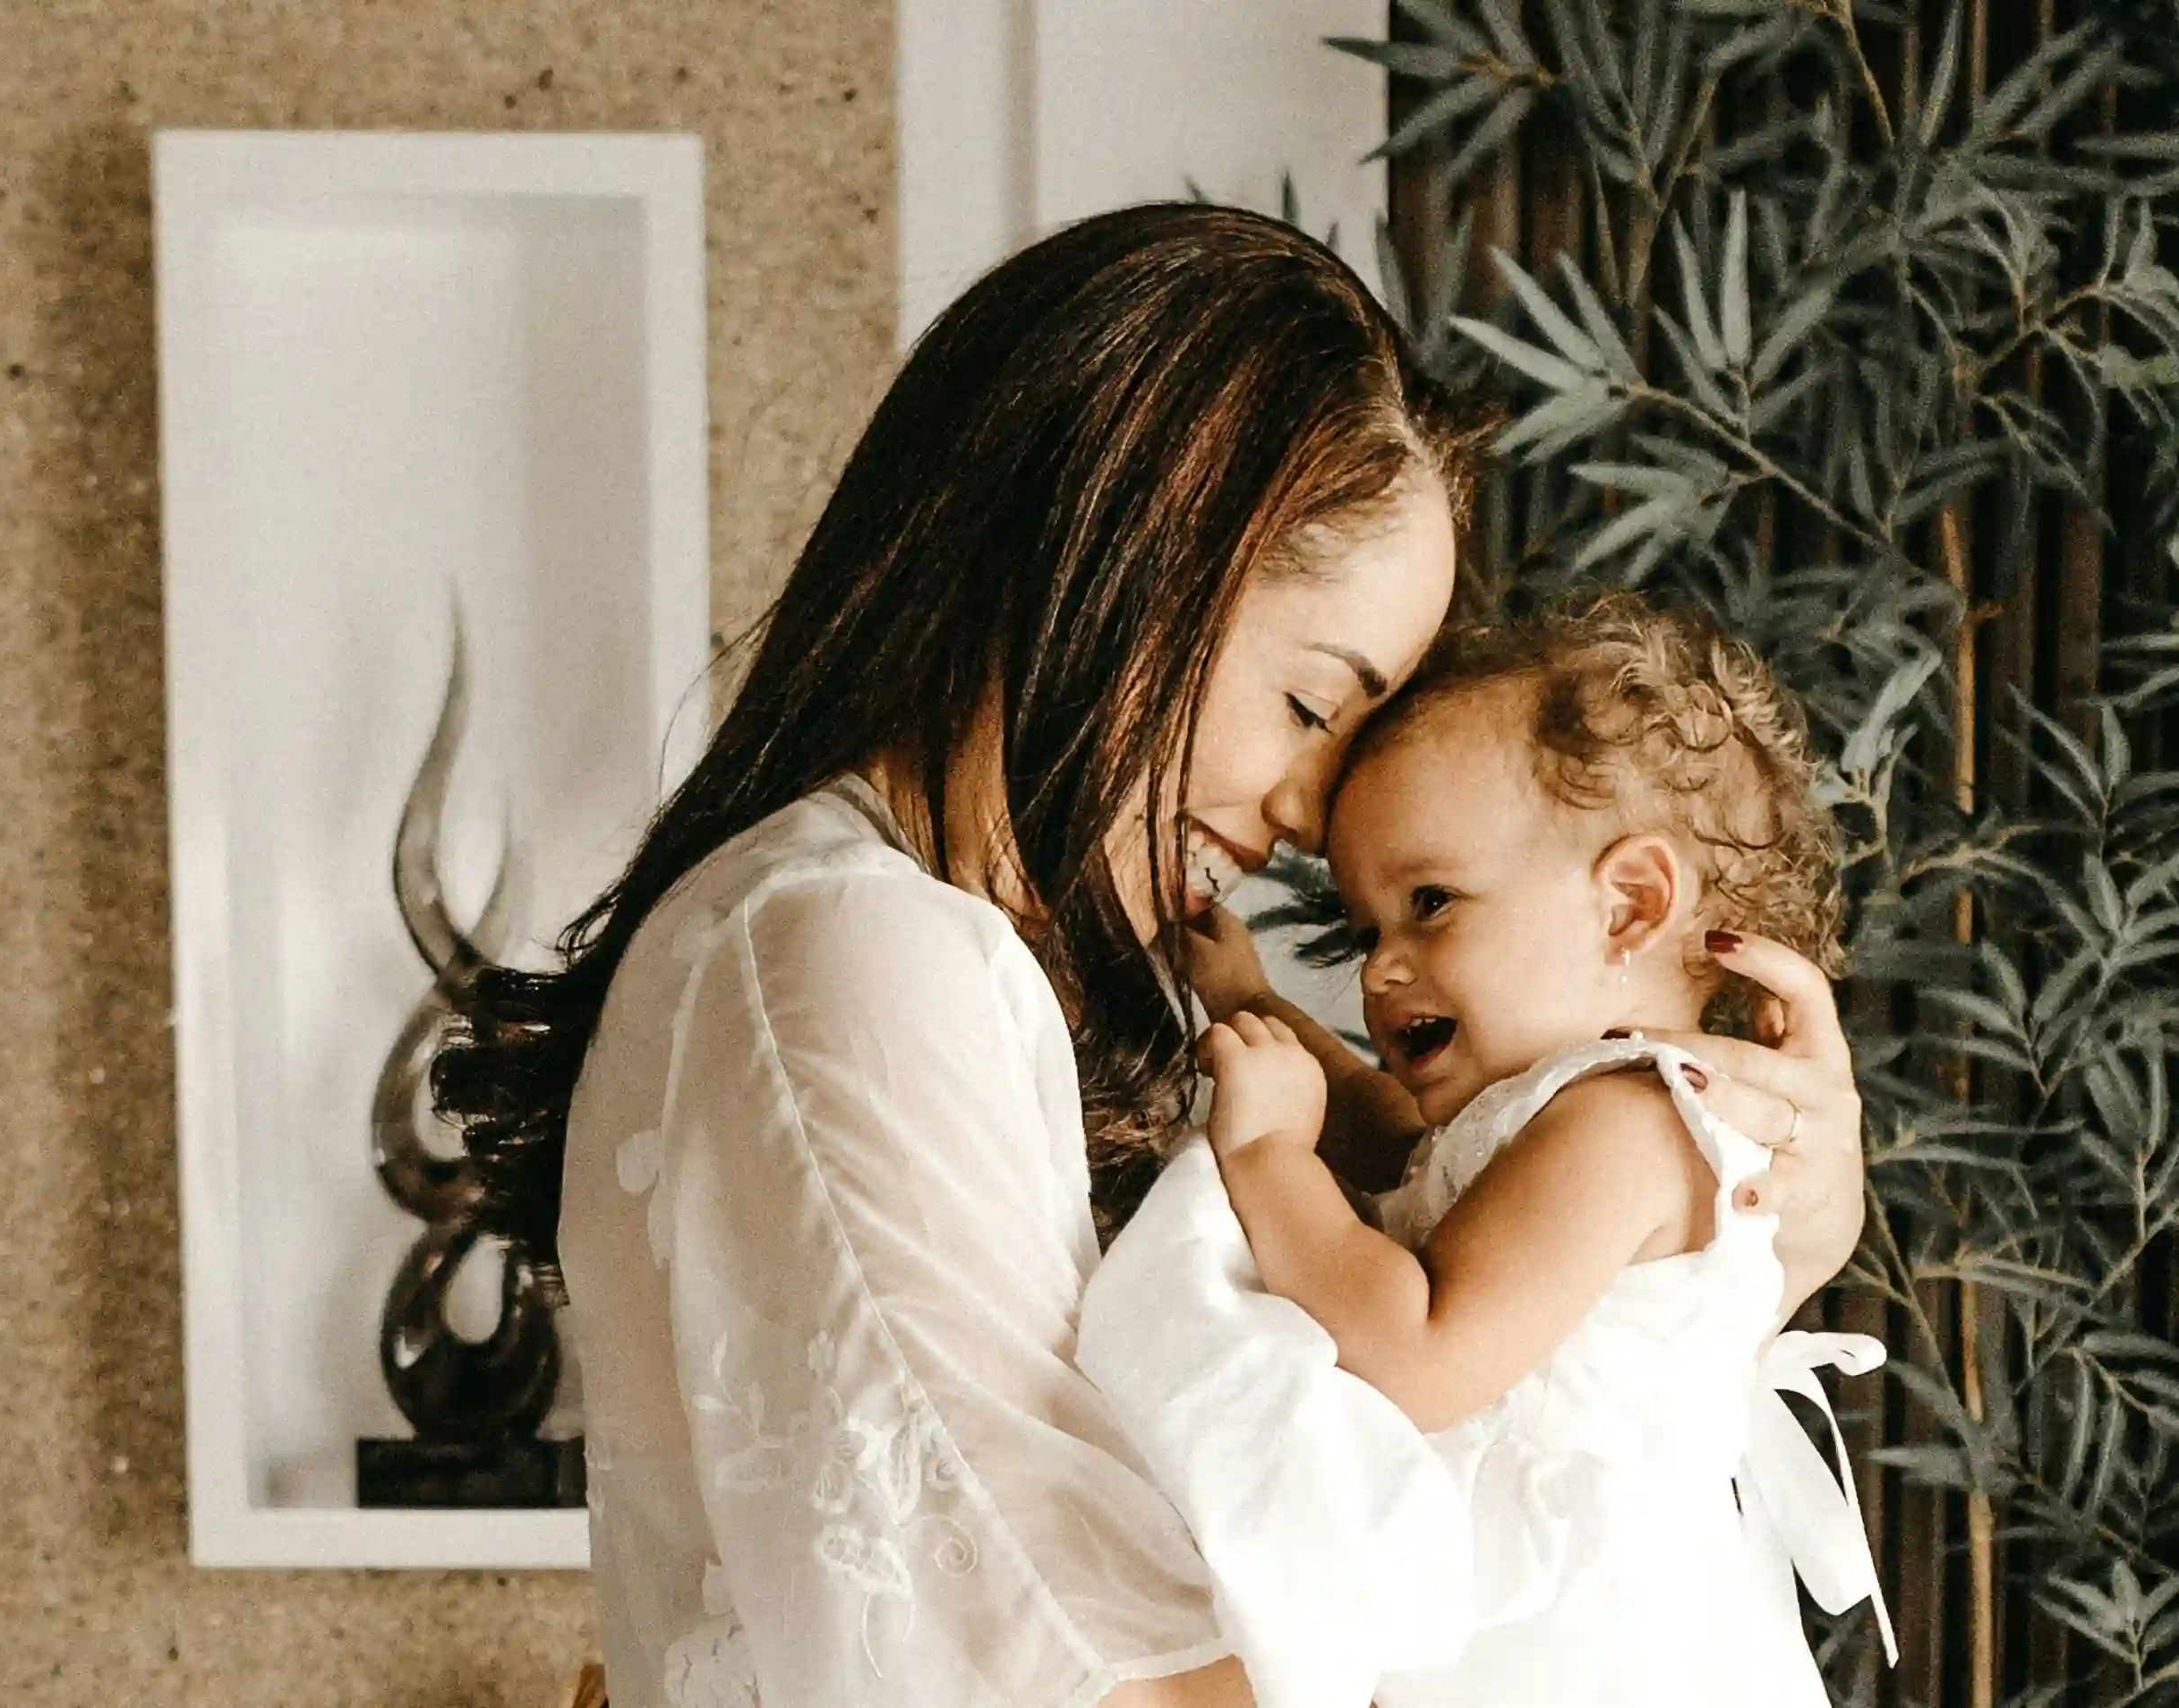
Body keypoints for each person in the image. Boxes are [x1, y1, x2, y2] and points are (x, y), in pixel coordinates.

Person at [431, 205, 1870, 1708]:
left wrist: (1760, 1236)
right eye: (1315, 706)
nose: (1315, 820)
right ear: (1144, 548)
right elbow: (1064, 1653)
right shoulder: (852, 946)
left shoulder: (944, 946)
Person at [1080, 594, 1893, 1708]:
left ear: (1629, 907)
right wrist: (1250, 998)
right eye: (1368, 929)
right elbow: (1404, 1145)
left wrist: (1270, 1158)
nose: (1378, 971)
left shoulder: (1630, 1127)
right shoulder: (1555, 1112)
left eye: (1430, 903)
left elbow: (1417, 1355)